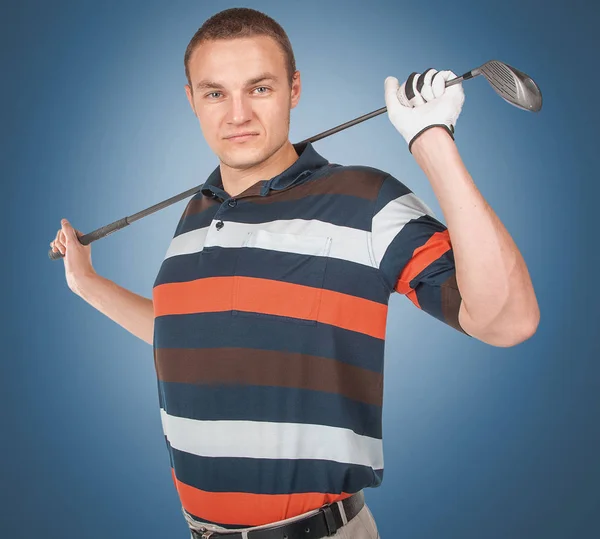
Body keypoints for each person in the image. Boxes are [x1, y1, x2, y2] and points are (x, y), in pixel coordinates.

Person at [50, 7, 540, 539]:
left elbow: (507, 320)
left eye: (259, 88)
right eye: (215, 93)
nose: (237, 114)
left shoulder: (364, 199)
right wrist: (87, 284)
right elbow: (188, 335)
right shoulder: (195, 214)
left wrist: (430, 140)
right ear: (191, 100)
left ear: (294, 89)